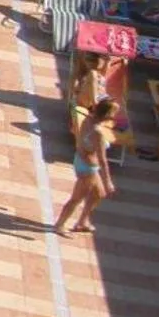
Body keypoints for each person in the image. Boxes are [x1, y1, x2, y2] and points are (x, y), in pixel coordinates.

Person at [54, 95, 117, 234]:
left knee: (99, 193)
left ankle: (82, 221)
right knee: (76, 199)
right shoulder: (98, 133)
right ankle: (59, 224)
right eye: (113, 114)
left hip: (82, 160)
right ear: (107, 114)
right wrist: (108, 181)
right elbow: (102, 160)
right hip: (88, 168)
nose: (114, 117)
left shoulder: (88, 119)